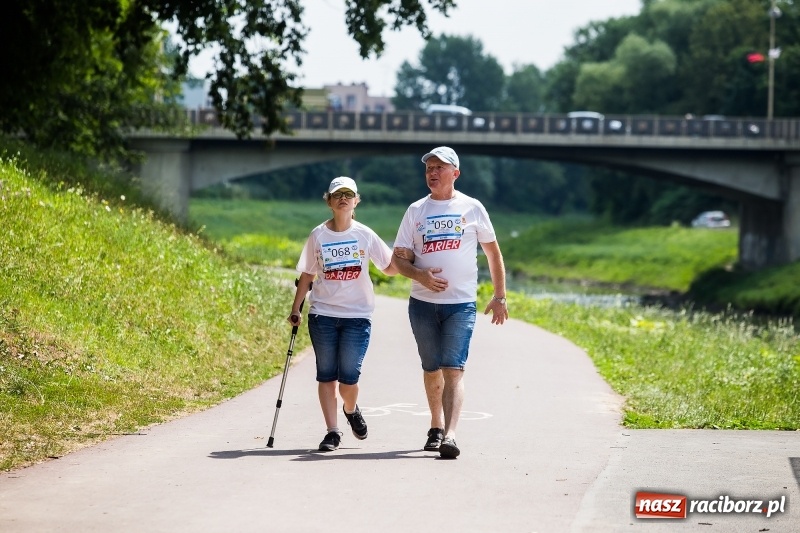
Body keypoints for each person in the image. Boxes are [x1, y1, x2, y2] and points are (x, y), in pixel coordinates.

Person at [392, 146, 508, 459]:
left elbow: (493, 254)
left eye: (439, 168)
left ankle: (450, 435)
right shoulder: (416, 210)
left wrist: (499, 296)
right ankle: (435, 424)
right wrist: (420, 275)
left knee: (453, 369)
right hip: (422, 305)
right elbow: (399, 259)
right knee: (432, 369)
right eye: (428, 168)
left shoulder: (472, 208)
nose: (432, 172)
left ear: (455, 173)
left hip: (460, 305)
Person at [289, 176, 398, 452]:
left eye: (349, 194)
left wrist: (418, 264)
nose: (343, 199)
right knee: (326, 375)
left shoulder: (364, 234)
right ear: (329, 201)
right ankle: (332, 432)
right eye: (338, 195)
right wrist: (296, 308)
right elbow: (307, 274)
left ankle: (351, 409)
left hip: (357, 317)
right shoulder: (318, 235)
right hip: (322, 315)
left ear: (356, 201)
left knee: (349, 379)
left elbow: (389, 266)